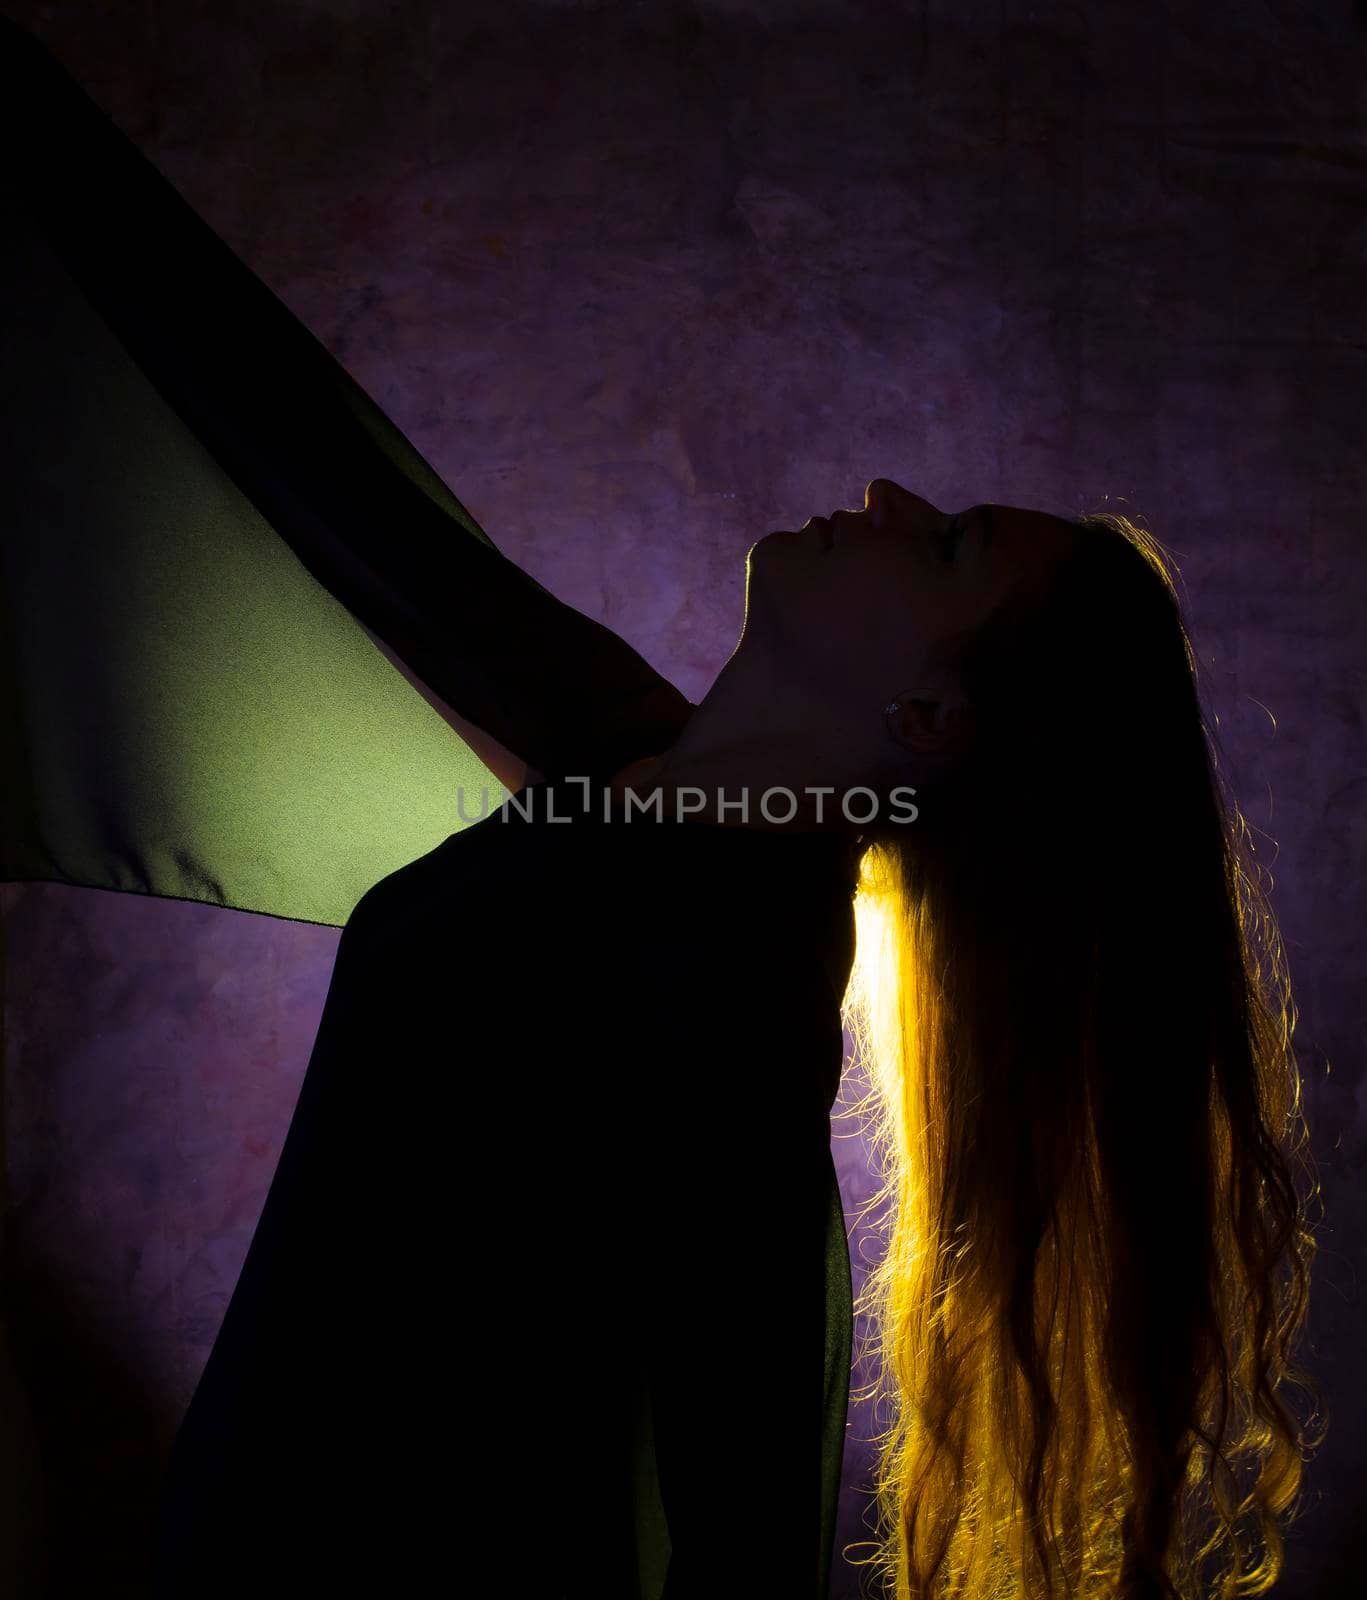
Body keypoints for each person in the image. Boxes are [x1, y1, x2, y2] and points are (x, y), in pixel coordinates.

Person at [0, 18, 1326, 1600]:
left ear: (931, 717)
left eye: (955, 544)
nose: (894, 499)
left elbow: (742, 1529)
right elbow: (283, 453)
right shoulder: (619, 753)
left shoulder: (732, 979)